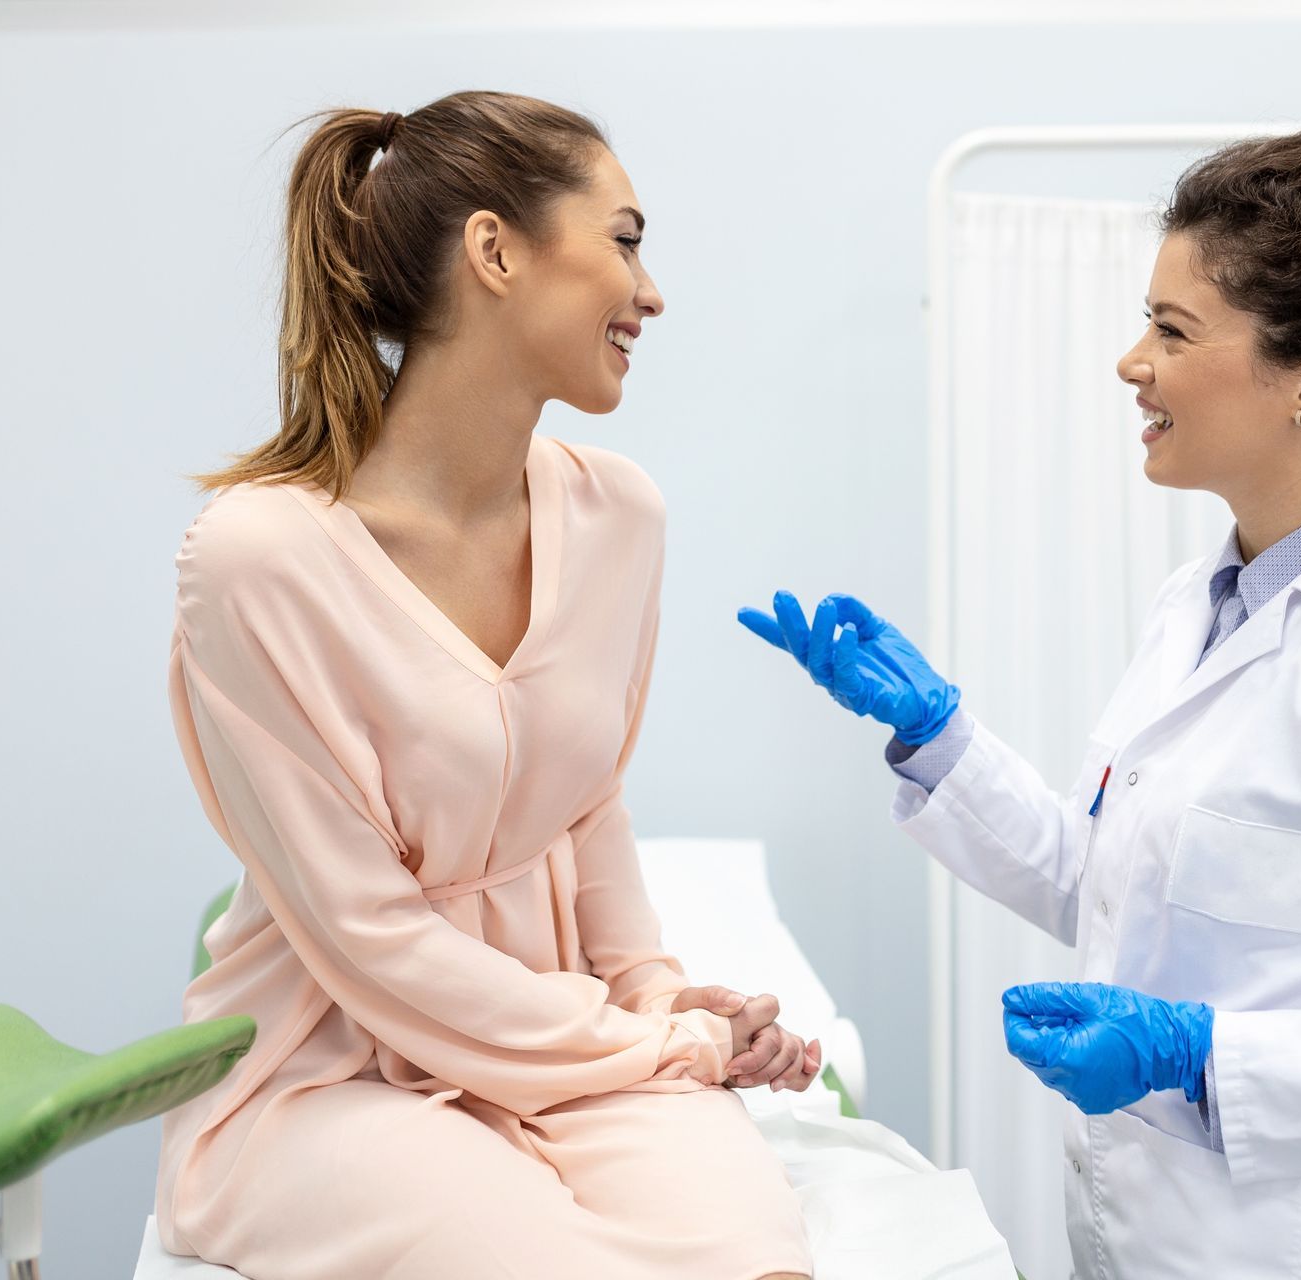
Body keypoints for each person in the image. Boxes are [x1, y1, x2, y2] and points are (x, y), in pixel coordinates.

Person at [742, 128, 1301, 1278]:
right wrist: (938, 737)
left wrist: (1200, 1056)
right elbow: (1117, 887)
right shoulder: (1201, 603)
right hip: (1136, 1240)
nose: (1133, 362)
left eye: (1173, 331)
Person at [159, 91, 815, 1280]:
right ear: (496, 250)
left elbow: (587, 803)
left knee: (756, 1252)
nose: (651, 290)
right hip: (329, 1069)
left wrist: (659, 1000)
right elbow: (369, 935)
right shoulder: (259, 560)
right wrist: (654, 1042)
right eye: (625, 239)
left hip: (567, 1039)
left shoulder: (620, 513)